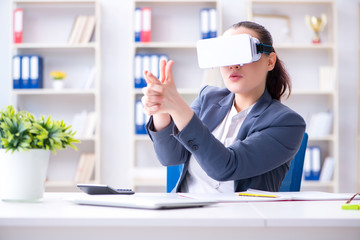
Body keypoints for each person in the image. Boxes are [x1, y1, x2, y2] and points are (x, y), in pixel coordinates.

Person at [142, 21, 306, 193]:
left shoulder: (288, 123)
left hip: (240, 217)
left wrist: (178, 108)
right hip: (184, 212)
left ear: (270, 62)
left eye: (243, 53)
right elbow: (171, 157)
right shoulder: (208, 98)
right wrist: (161, 109)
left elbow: (226, 167)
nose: (233, 65)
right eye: (227, 55)